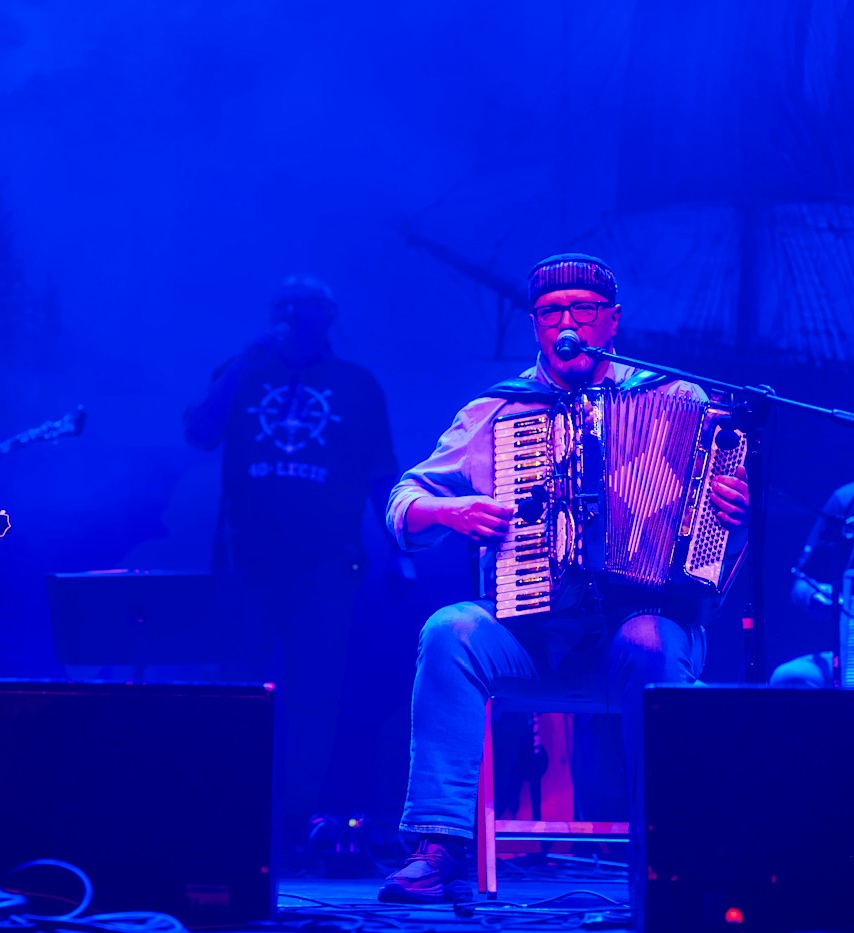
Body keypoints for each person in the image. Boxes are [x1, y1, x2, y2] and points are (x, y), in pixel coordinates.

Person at [377, 254, 750, 903]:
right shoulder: (499, 410)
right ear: (536, 325)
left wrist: (733, 517)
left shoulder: (676, 398)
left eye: (582, 310)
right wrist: (449, 509)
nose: (566, 322)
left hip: (646, 635)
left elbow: (718, 548)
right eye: (551, 312)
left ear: (611, 321)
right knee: (451, 629)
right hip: (538, 637)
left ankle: (670, 846)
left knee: (647, 639)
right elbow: (403, 501)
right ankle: (440, 843)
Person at [184, 274, 403, 845]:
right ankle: (234, 808)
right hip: (247, 559)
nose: (294, 317)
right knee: (239, 684)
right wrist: (240, 365)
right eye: (285, 308)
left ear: (328, 316)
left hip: (326, 564)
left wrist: (402, 554)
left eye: (306, 309)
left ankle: (296, 817)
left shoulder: (357, 385)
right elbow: (199, 432)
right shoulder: (245, 371)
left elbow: (383, 474)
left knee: (315, 693)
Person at [769, 481, 854, 687]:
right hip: (849, 658)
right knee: (789, 678)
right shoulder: (846, 500)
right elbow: (802, 584)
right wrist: (816, 597)